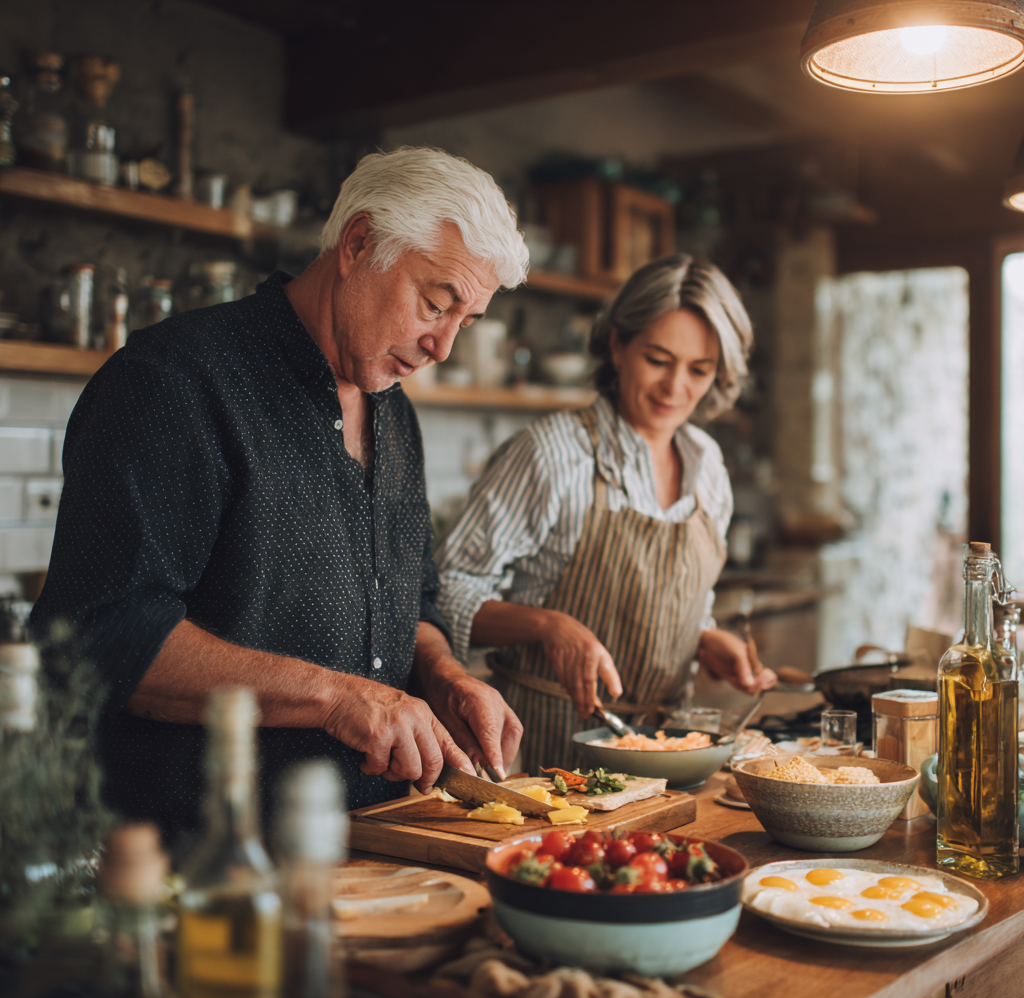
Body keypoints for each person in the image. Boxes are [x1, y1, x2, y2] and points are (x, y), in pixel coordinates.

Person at [30, 147, 526, 843]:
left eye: (464, 322)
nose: (441, 346)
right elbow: (102, 635)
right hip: (199, 861)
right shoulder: (174, 382)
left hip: (373, 847)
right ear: (359, 243)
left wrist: (441, 673)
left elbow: (411, 599)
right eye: (435, 303)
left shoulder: (395, 411)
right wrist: (339, 698)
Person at [436, 253, 776, 772]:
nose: (675, 388)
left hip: (665, 764)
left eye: (699, 370)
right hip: (544, 762)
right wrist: (549, 625)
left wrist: (705, 639)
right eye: (658, 360)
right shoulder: (551, 453)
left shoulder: (709, 467)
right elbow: (444, 591)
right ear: (618, 345)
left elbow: (677, 601)